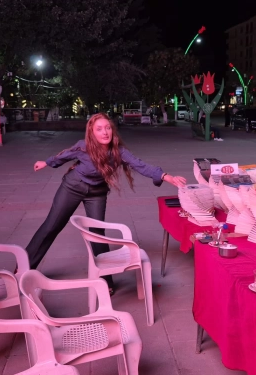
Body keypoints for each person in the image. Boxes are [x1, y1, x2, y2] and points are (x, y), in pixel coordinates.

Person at [26, 113, 187, 288]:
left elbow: (140, 165)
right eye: (99, 129)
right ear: (92, 132)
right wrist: (46, 162)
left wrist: (166, 176)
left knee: (97, 234)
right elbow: (64, 156)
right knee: (52, 225)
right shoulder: (83, 146)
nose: (105, 132)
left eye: (108, 128)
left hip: (97, 192)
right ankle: (24, 268)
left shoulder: (119, 151)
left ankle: (105, 281)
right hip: (73, 187)